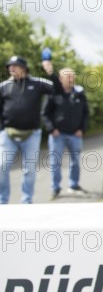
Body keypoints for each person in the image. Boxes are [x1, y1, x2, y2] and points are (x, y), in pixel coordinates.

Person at [0, 56, 58, 204]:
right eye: (9, 66)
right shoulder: (3, 86)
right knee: (2, 166)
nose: (11, 68)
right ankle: (2, 201)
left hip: (32, 134)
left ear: (24, 68)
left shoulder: (37, 83)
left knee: (29, 169)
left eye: (15, 66)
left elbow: (57, 89)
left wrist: (50, 71)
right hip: (8, 134)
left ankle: (26, 201)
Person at [42, 68, 90, 198]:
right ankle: (55, 188)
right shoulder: (53, 93)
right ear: (60, 79)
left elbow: (86, 113)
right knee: (55, 162)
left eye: (72, 76)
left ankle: (74, 185)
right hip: (58, 135)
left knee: (75, 161)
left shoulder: (79, 93)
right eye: (67, 76)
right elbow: (45, 113)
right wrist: (52, 129)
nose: (70, 78)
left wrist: (82, 129)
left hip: (75, 134)